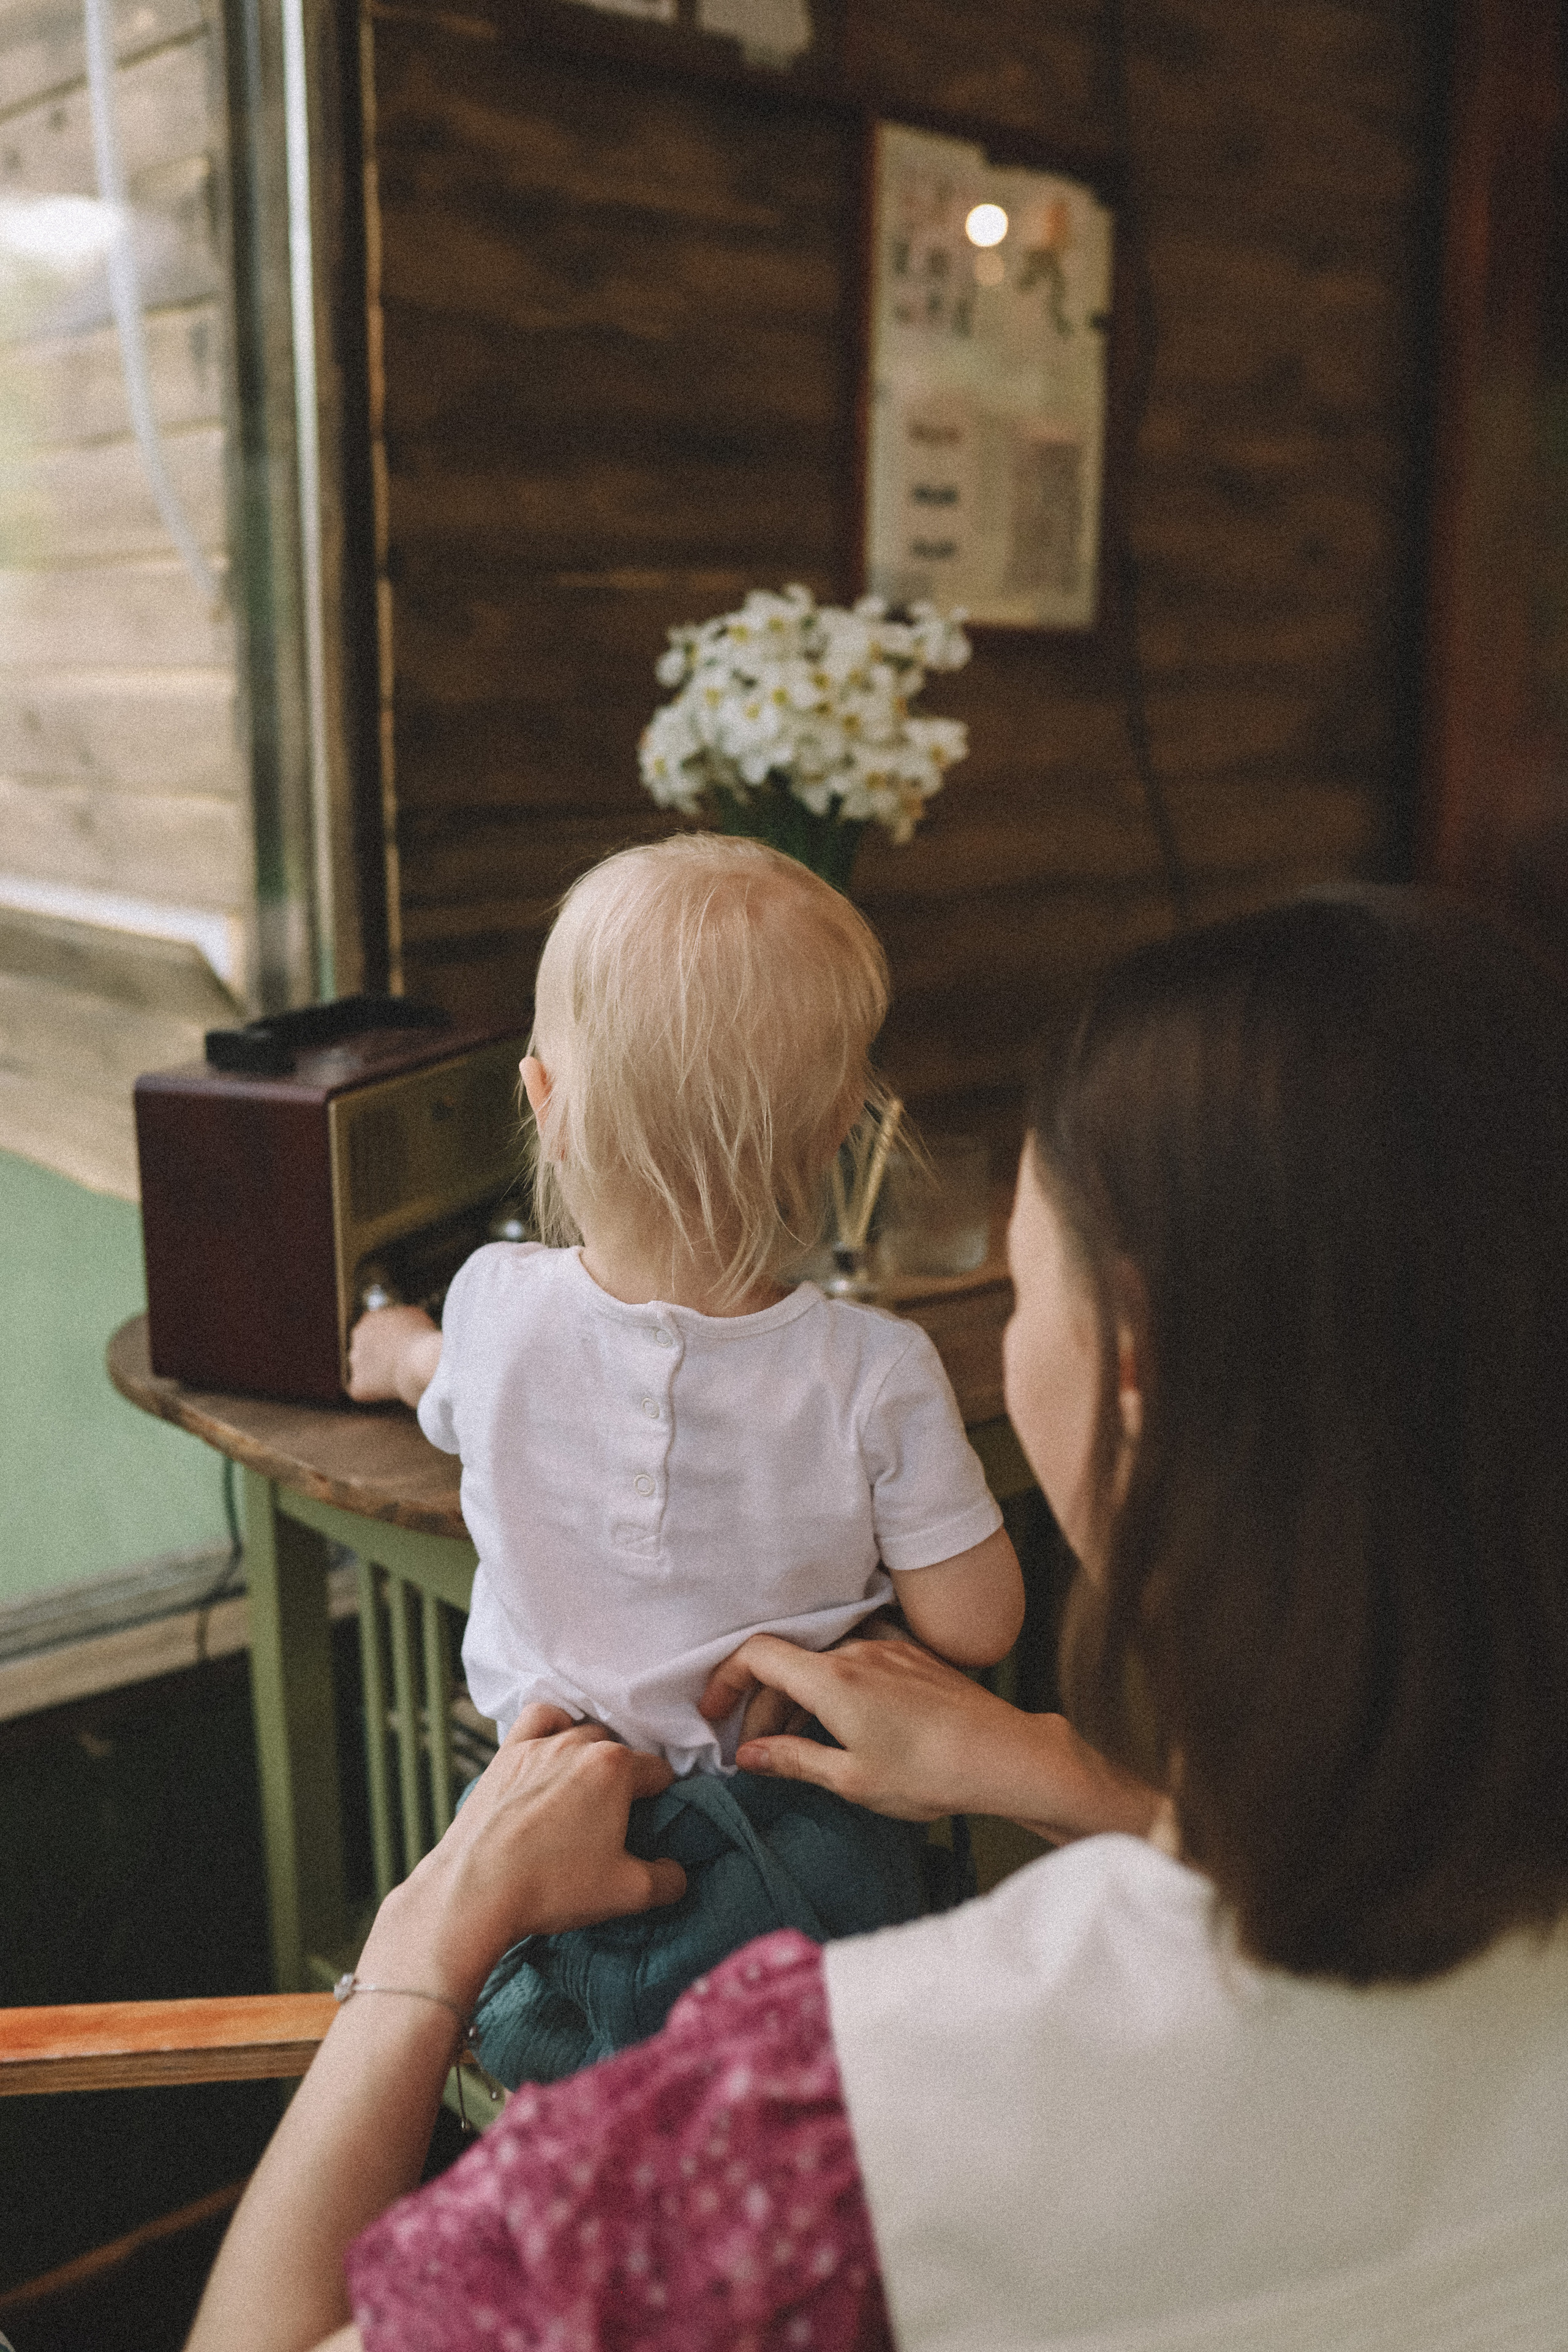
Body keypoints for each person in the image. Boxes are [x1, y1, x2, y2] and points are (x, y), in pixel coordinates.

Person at [188, 888, 1568, 2352]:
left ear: (1132, 1372)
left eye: (1026, 1287)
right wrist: (1078, 1782)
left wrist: (423, 1944)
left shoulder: (809, 2121)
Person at [346, 834, 1023, 2084]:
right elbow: (976, 1622)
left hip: (544, 1837)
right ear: (836, 1127)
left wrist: (391, 1352)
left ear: (543, 1104)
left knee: (567, 2136)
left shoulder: (491, 1308)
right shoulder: (872, 1368)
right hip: (798, 1856)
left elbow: (436, 1384)